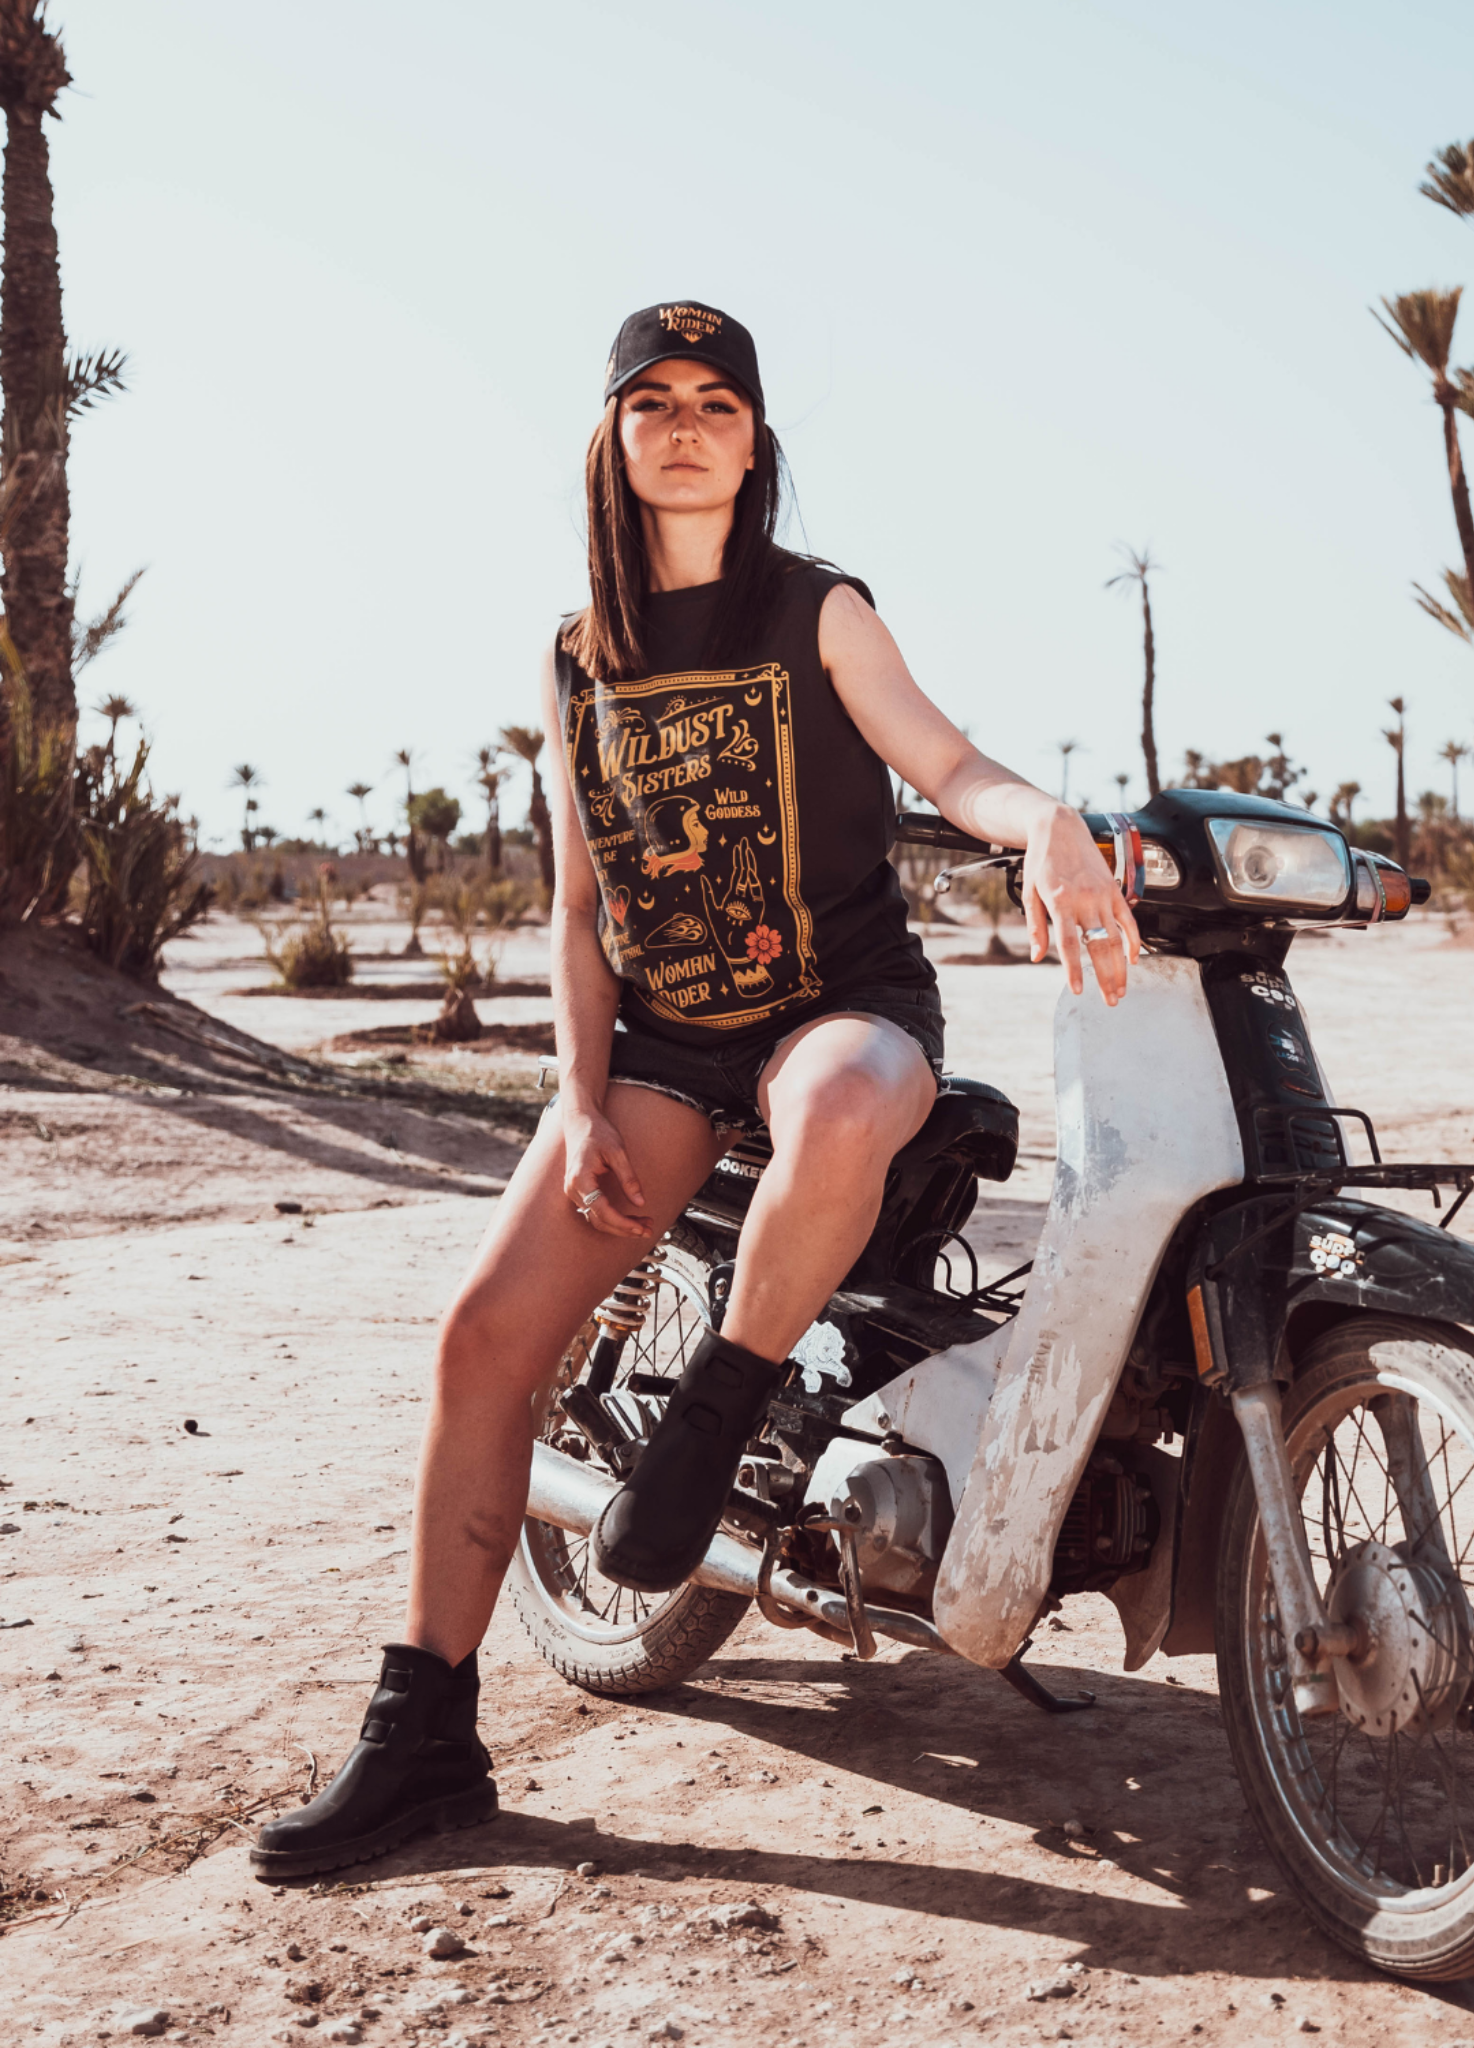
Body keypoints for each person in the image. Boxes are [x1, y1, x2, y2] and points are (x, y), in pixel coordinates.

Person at [251, 302, 1141, 1878]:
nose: (682, 423)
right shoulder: (576, 652)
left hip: (837, 1006)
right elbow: (581, 907)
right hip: (659, 1043)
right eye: (650, 400)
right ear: (611, 438)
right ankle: (425, 1740)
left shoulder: (820, 609)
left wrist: (1050, 824)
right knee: (482, 1337)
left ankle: (712, 1415)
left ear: (754, 441)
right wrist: (580, 1097)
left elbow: (948, 765)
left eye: (715, 401)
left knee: (852, 1098)